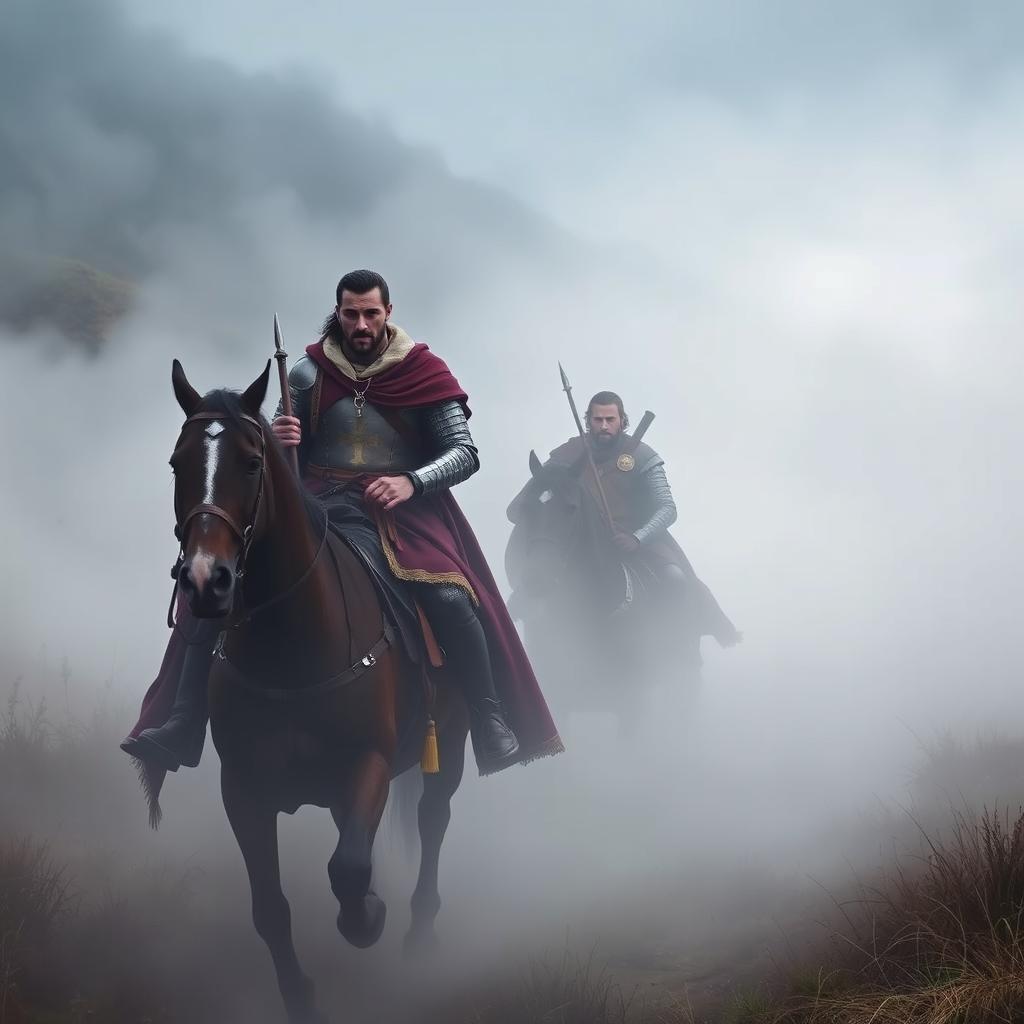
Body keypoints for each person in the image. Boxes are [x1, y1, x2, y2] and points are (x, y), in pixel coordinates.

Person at [122, 269, 562, 776]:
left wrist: (411, 483)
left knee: (451, 596)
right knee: (219, 581)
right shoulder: (307, 374)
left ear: (387, 314)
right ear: (339, 312)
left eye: (370, 313)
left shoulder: (424, 371)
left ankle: (488, 719)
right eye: (350, 314)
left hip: (401, 511)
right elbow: (270, 462)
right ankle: (183, 719)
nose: (360, 324)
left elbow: (464, 453)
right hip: (316, 501)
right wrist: (283, 437)